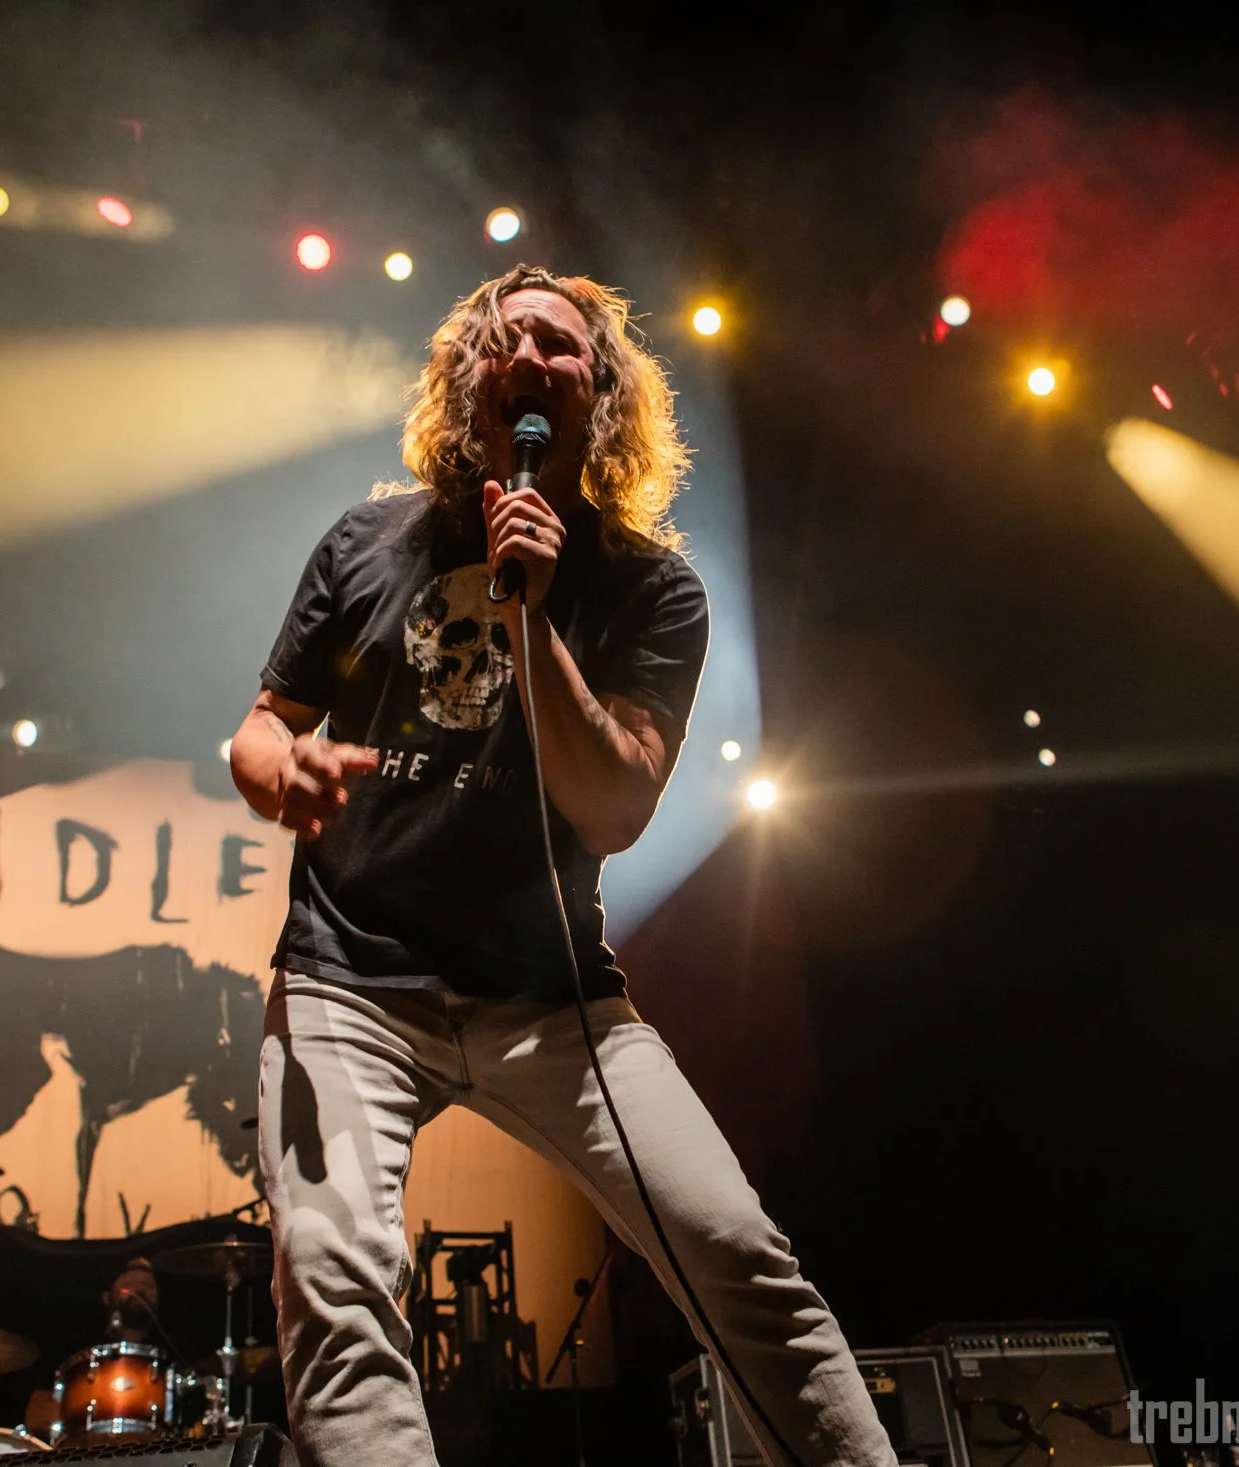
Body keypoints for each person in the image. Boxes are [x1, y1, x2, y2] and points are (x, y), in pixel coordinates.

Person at [229, 265, 896, 1467]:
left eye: (561, 346)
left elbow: (614, 806)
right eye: (504, 339)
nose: (530, 357)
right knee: (335, 1280)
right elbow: (262, 726)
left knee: (735, 1256)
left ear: (602, 396)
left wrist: (528, 612)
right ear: (466, 380)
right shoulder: (365, 543)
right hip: (348, 983)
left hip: (553, 1004)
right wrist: (281, 772)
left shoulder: (651, 588)